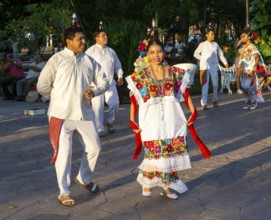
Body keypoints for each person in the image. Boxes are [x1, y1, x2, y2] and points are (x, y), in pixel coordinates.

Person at [126, 39, 209, 200]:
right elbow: (134, 99)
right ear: (147, 55)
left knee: (169, 154)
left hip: (172, 118)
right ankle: (149, 182)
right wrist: (132, 120)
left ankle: (166, 185)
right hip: (150, 120)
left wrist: (193, 111)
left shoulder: (175, 73)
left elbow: (185, 94)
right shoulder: (141, 75)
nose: (156, 55)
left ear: (164, 53)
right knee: (153, 153)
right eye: (152, 52)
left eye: (159, 51)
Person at [37, 26, 109, 207]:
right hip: (60, 115)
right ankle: (64, 192)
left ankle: (83, 178)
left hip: (84, 113)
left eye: (84, 39)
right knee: (64, 154)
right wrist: (57, 95)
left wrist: (95, 90)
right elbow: (42, 86)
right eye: (80, 39)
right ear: (68, 41)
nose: (84, 42)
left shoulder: (89, 61)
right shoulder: (57, 59)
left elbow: (105, 81)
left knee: (95, 147)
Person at [85, 29, 123, 137]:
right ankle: (99, 128)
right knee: (98, 107)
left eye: (106, 35)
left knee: (115, 103)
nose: (106, 37)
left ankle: (110, 122)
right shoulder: (90, 51)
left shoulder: (111, 51)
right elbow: (85, 67)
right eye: (103, 35)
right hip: (96, 84)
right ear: (96, 38)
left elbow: (117, 65)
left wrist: (120, 76)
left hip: (110, 82)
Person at [194, 27, 229, 110]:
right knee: (205, 85)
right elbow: (195, 54)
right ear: (207, 35)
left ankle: (215, 100)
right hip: (204, 67)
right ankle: (204, 103)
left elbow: (220, 55)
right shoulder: (202, 44)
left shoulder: (216, 44)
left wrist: (225, 63)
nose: (213, 35)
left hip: (214, 67)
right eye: (211, 34)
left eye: (213, 34)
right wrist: (203, 58)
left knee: (215, 85)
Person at [237, 29, 264, 110]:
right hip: (244, 70)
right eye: (241, 36)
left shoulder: (252, 46)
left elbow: (257, 56)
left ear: (248, 37)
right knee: (244, 87)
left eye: (244, 36)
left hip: (250, 70)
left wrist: (255, 65)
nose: (242, 38)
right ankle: (248, 103)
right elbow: (240, 58)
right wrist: (240, 68)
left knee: (249, 87)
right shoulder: (242, 47)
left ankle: (254, 103)